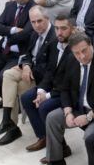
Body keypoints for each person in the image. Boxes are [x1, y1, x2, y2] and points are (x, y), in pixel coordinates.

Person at [37, 32, 94, 165]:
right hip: (77, 108)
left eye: (84, 51)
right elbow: (64, 88)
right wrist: (68, 111)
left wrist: (88, 117)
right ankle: (56, 161)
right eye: (76, 53)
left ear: (91, 45)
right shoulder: (71, 60)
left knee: (90, 136)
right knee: (52, 118)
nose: (81, 56)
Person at [0, 6, 54, 146]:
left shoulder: (53, 37)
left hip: (41, 79)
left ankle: (11, 125)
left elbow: (50, 69)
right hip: (30, 71)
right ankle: (8, 121)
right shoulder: (34, 33)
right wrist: (25, 65)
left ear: (47, 18)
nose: (36, 25)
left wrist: (29, 68)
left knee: (15, 85)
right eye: (33, 22)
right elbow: (26, 53)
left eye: (40, 21)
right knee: (8, 75)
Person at [21, 15, 77, 153]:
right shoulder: (53, 44)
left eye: (63, 28)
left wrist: (47, 95)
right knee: (27, 97)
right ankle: (44, 137)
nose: (59, 32)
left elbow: (69, 84)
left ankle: (61, 148)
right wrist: (41, 91)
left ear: (73, 30)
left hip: (68, 93)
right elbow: (49, 72)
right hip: (54, 88)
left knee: (44, 106)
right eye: (57, 28)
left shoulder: (77, 50)